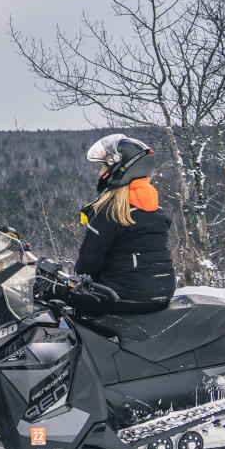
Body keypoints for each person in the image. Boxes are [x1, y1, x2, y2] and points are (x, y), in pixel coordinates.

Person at [53, 133, 175, 315]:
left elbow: (87, 265)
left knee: (52, 293)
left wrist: (63, 287)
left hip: (125, 298)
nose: (100, 172)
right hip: (161, 295)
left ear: (120, 168)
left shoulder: (110, 212)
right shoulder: (157, 211)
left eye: (104, 167)